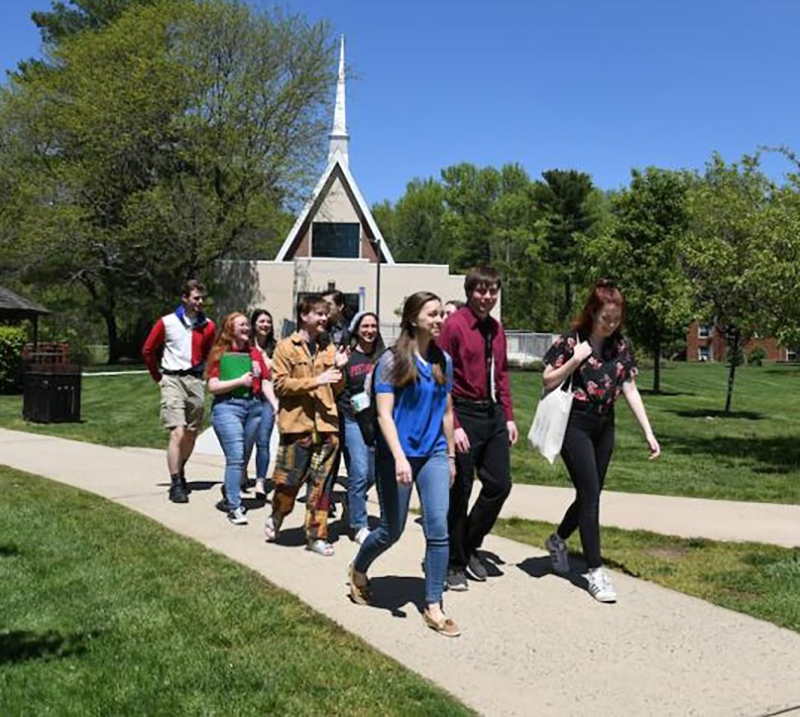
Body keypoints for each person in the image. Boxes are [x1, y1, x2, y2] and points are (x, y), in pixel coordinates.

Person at [347, 292, 460, 638]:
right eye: (433, 314)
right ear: (413, 319)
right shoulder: (392, 361)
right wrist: (398, 456)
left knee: (439, 527)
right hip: (396, 455)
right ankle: (358, 570)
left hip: (435, 454)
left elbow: (446, 410)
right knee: (391, 531)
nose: (440, 319)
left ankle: (434, 606)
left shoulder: (444, 361)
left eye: (442, 314)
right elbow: (383, 413)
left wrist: (452, 455)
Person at [542, 278, 660, 602]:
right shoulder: (571, 341)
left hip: (605, 425)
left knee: (587, 494)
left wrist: (648, 432)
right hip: (574, 424)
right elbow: (547, 378)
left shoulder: (621, 346)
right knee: (591, 493)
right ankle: (596, 572)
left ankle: (558, 539)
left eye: (617, 318)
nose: (611, 324)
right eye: (606, 317)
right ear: (593, 312)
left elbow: (629, 389)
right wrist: (575, 360)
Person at [439, 266, 518, 591]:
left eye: (492, 291)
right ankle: (454, 563)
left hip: (493, 414)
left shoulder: (496, 330)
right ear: (470, 291)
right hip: (464, 414)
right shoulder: (454, 326)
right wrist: (454, 425)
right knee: (460, 491)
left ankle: (468, 544)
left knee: (500, 484)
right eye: (480, 291)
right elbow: (440, 378)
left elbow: (501, 375)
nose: (486, 297)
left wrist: (509, 416)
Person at [265, 295, 349, 556]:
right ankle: (278, 513)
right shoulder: (285, 347)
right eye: (319, 313)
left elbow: (337, 387)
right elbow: (280, 385)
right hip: (296, 425)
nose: (325, 318)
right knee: (288, 482)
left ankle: (316, 536)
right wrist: (317, 379)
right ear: (304, 315)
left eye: (326, 314)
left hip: (326, 425)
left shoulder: (329, 347)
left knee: (321, 484)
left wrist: (339, 370)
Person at [142, 279, 215, 504]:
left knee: (192, 433)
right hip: (172, 378)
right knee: (178, 431)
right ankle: (175, 483)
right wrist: (158, 376)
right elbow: (147, 350)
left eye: (202, 298)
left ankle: (180, 470)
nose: (200, 302)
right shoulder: (167, 322)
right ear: (184, 298)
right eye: (196, 298)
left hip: (195, 380)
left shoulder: (208, 326)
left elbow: (212, 353)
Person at [205, 313, 277, 525]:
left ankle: (230, 490)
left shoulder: (255, 353)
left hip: (254, 408)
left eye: (247, 324)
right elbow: (213, 386)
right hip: (228, 408)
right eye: (242, 325)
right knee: (236, 455)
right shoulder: (220, 353)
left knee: (243, 455)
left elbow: (265, 383)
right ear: (230, 329)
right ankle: (234, 506)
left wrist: (275, 405)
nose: (246, 328)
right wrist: (240, 380)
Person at [341, 311, 384, 544]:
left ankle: (350, 501)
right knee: (358, 471)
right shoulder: (348, 358)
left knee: (371, 473)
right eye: (365, 326)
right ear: (357, 330)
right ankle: (359, 524)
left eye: (373, 326)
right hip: (353, 420)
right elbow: (343, 392)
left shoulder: (382, 357)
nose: (369, 330)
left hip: (377, 422)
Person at [250, 309, 277, 499]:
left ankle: (260, 482)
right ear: (254, 324)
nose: (265, 325)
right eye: (261, 321)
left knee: (263, 441)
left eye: (268, 322)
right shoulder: (246, 347)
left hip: (268, 400)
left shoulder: (276, 348)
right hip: (249, 398)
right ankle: (241, 474)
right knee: (245, 441)